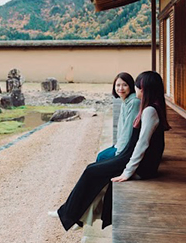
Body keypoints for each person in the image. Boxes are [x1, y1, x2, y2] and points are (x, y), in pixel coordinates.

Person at [56, 71, 170, 230]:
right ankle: (73, 214)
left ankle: (71, 215)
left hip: (142, 166)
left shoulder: (150, 110)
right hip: (130, 157)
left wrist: (128, 172)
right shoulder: (149, 107)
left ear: (145, 89)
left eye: (137, 86)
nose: (135, 89)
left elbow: (142, 144)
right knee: (93, 169)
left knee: (92, 171)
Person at [95, 72, 141, 162]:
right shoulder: (125, 101)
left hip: (127, 149)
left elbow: (128, 130)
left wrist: (119, 153)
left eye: (125, 85)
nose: (120, 88)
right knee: (100, 156)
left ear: (131, 86)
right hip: (120, 145)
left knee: (101, 158)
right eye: (118, 85)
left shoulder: (134, 102)